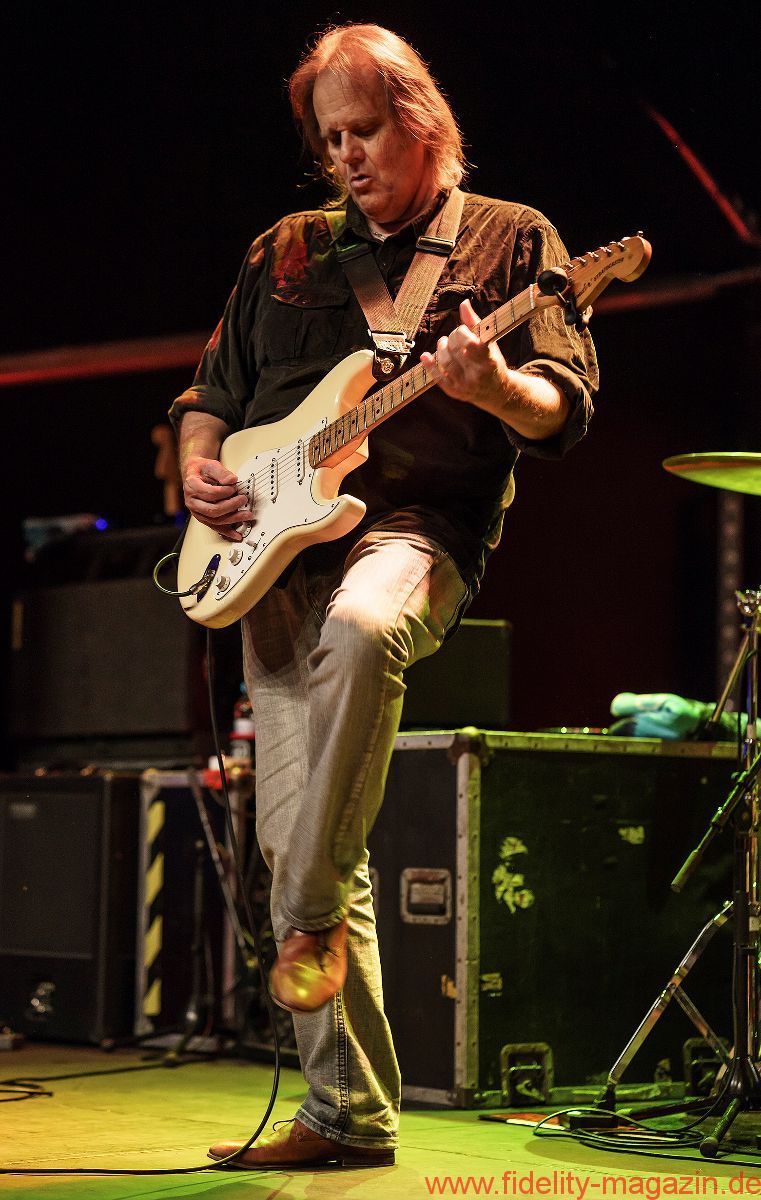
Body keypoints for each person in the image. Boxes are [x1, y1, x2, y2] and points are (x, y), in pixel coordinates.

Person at [169, 22, 598, 1170]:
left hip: (415, 535)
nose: (344, 156)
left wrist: (493, 385)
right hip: (269, 565)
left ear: (420, 121)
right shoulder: (286, 251)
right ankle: (345, 1115)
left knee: (363, 634)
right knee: (292, 836)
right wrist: (200, 463)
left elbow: (560, 407)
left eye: (362, 131)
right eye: (330, 139)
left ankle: (304, 908)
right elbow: (209, 396)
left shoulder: (512, 239)